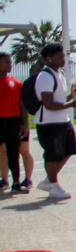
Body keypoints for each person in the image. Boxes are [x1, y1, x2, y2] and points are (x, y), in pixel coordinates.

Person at [29, 43, 76, 200]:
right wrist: (71, 104)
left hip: (62, 120)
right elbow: (49, 104)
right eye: (59, 57)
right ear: (49, 58)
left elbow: (59, 100)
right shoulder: (45, 76)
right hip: (48, 123)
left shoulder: (60, 75)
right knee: (52, 155)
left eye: (63, 56)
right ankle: (54, 185)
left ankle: (49, 180)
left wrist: (71, 97)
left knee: (68, 150)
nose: (63, 59)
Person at [0, 51, 24, 193]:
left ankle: (16, 182)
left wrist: (25, 124)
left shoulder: (16, 83)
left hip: (12, 122)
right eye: (6, 62)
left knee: (13, 153)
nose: (10, 65)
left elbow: (22, 106)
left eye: (10, 62)